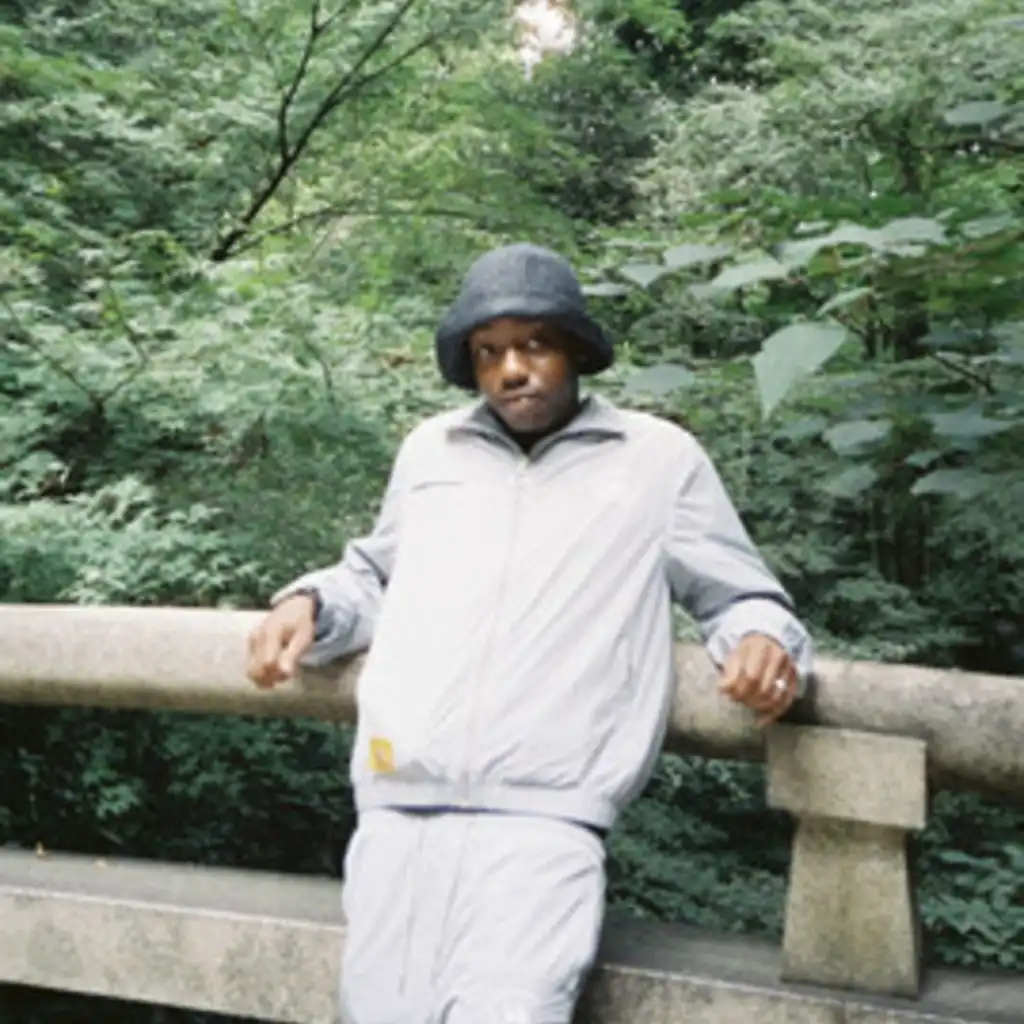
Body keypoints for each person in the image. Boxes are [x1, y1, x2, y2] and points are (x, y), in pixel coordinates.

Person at [246, 242, 812, 1024]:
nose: (512, 369)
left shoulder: (657, 459)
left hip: (546, 819)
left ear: (574, 347)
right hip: (397, 804)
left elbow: (741, 594)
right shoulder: (431, 452)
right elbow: (373, 577)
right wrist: (309, 603)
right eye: (489, 352)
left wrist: (763, 641)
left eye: (534, 344)